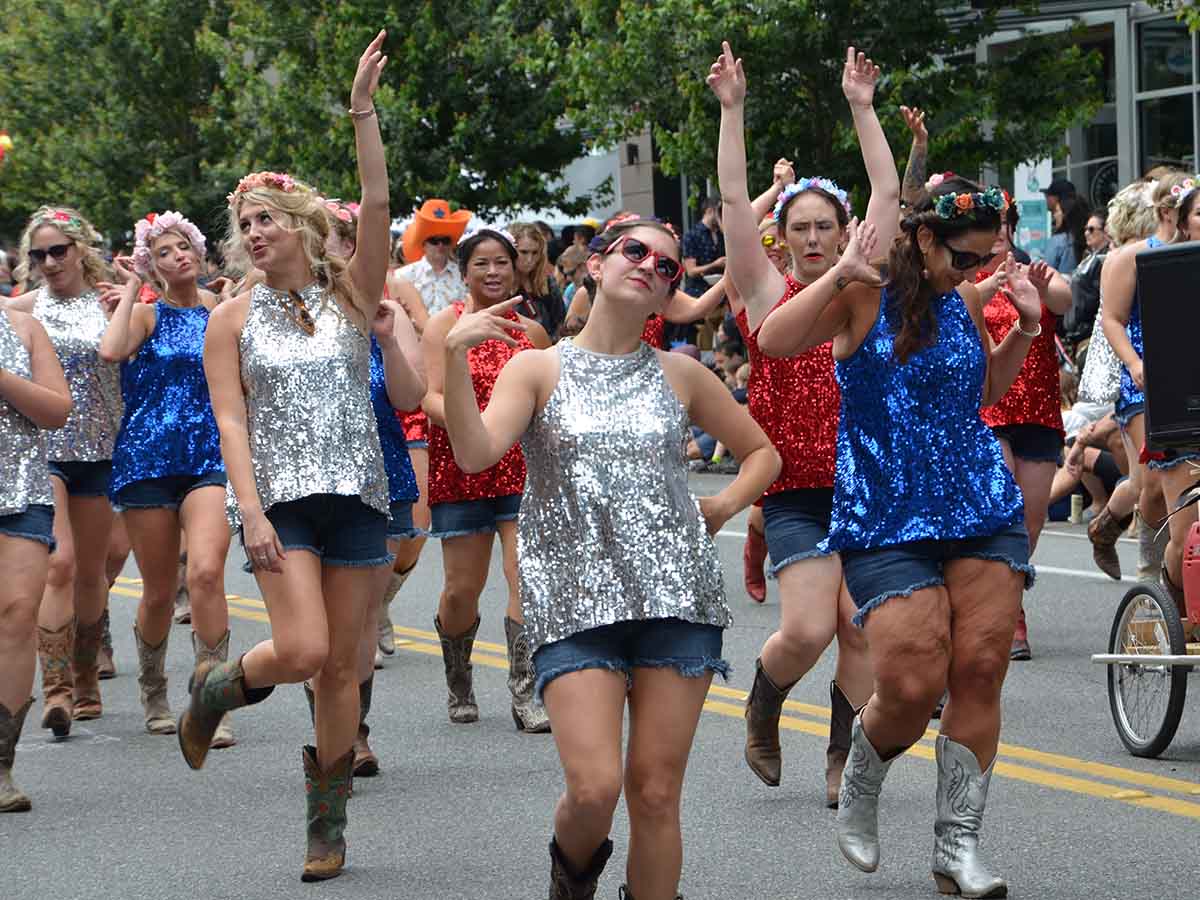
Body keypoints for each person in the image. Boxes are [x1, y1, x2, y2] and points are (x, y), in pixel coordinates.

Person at [441, 215, 779, 899]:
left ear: (666, 296)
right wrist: (452, 356)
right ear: (594, 265)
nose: (650, 267)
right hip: (573, 604)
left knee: (654, 794)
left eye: (667, 267)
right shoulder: (538, 367)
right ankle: (571, 885)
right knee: (594, 790)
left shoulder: (681, 373)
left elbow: (764, 453)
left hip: (675, 599)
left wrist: (722, 506)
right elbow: (477, 455)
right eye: (635, 252)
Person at [759, 173, 1043, 895]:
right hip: (887, 515)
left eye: (986, 260)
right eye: (965, 258)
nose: (977, 273)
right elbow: (776, 340)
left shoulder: (969, 300)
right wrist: (840, 275)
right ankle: (864, 766)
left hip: (981, 504)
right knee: (912, 682)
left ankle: (957, 851)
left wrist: (1028, 331)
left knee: (979, 670)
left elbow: (982, 394)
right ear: (923, 237)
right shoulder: (864, 294)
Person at [178, 32, 391, 882]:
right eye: (244, 224)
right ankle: (215, 687)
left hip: (360, 495)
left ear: (301, 225)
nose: (254, 232)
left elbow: (375, 202)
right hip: (282, 502)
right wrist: (251, 512)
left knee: (342, 668)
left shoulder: (351, 293)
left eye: (266, 218)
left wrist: (362, 111)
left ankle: (326, 826)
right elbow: (232, 424)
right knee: (301, 650)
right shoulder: (231, 319)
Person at [711, 42, 893, 805]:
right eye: (802, 228)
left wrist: (862, 107)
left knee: (861, 631)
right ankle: (765, 695)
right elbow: (731, 203)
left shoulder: (860, 287)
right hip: (794, 490)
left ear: (847, 232)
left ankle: (842, 753)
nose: (815, 238)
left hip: (867, 483)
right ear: (782, 237)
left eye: (828, 226)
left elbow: (886, 192)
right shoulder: (763, 290)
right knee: (811, 629)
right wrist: (732, 111)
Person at [97, 211, 236, 746]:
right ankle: (154, 691)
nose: (177, 255)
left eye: (184, 247)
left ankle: (211, 701)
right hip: (148, 462)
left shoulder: (222, 311)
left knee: (204, 574)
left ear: (198, 253)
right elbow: (111, 350)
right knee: (158, 590)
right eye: (163, 253)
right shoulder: (148, 316)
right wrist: (134, 284)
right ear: (152, 266)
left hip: (210, 460)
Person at [308, 197, 426, 775]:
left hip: (378, 474)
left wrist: (383, 339)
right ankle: (330, 730)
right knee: (320, 632)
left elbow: (408, 399)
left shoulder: (386, 309)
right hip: (305, 483)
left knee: (357, 624)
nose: (328, 247)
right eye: (318, 236)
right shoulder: (274, 310)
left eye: (338, 237)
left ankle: (353, 733)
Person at [421, 227, 552, 731]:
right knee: (461, 591)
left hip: (522, 471)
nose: (494, 272)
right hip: (462, 468)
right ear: (464, 270)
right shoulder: (445, 327)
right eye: (482, 264)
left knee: (526, 577)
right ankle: (459, 674)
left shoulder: (531, 333)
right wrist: (473, 426)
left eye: (502, 262)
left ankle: (525, 693)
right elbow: (429, 397)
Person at [8, 206, 121, 733]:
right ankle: (55, 692)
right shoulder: (24, 310)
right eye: (39, 254)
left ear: (80, 250)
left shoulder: (108, 302)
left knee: (94, 573)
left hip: (101, 451)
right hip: (43, 452)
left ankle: (84, 676)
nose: (50, 262)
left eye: (59, 250)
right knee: (61, 563)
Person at [1099, 172, 1194, 602]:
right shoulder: (1131, 258)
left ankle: (1162, 585)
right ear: (1165, 213)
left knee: (1155, 487)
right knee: (1154, 484)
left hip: (1187, 378)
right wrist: (1135, 363)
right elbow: (1111, 320)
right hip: (1143, 383)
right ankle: (1148, 575)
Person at [0, 285, 72, 811]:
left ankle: (1, 766)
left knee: (16, 614)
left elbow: (57, 411)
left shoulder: (23, 328)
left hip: (21, 492)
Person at [396, 198, 472, 315]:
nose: (440, 245)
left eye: (445, 240)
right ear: (423, 244)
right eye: (434, 240)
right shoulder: (403, 276)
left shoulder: (465, 276)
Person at [512, 222, 565, 339]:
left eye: (535, 253)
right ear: (511, 250)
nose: (530, 259)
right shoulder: (500, 285)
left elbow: (560, 323)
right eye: (524, 252)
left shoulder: (547, 283)